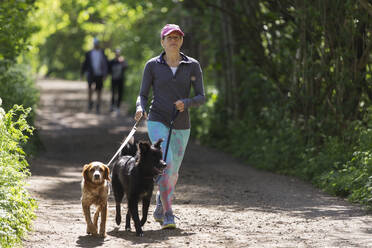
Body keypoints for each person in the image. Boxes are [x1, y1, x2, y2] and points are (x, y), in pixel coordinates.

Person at [135, 24, 206, 229]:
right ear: (162, 42)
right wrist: (140, 106)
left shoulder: (192, 65)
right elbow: (143, 94)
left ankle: (159, 205)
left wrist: (187, 102)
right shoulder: (152, 65)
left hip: (182, 124)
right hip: (157, 119)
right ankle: (168, 214)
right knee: (168, 163)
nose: (173, 40)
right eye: (169, 37)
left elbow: (201, 96)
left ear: (181, 41)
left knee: (173, 172)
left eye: (177, 37)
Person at [81, 37, 108, 114]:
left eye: (97, 44)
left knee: (99, 90)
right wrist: (82, 73)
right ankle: (90, 102)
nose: (96, 45)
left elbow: (105, 64)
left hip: (99, 74)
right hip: (91, 74)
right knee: (90, 89)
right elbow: (85, 64)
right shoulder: (89, 53)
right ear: (93, 44)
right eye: (95, 44)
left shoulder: (102, 53)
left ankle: (98, 105)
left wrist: (105, 74)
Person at [108, 48, 128, 115]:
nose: (117, 54)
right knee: (113, 93)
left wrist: (122, 62)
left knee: (120, 93)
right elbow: (109, 69)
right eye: (116, 53)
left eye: (118, 53)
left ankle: (118, 107)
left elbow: (126, 67)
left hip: (120, 79)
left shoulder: (122, 61)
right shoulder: (112, 61)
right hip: (113, 79)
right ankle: (112, 106)